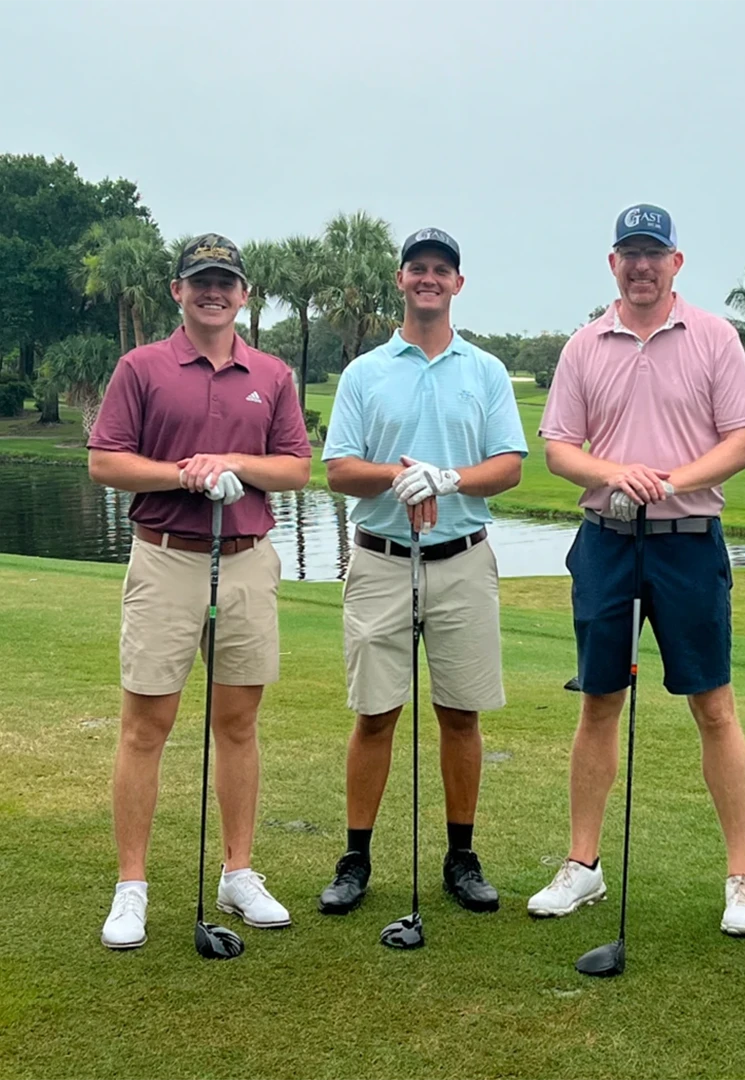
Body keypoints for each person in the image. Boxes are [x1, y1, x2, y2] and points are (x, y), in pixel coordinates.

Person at [529, 204, 745, 936]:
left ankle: (742, 877)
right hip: (606, 540)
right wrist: (616, 474)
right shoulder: (584, 345)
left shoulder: (714, 337)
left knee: (714, 705)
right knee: (599, 701)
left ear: (675, 262)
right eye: (629, 254)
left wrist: (668, 481)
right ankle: (583, 865)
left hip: (688, 540)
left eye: (653, 254)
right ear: (614, 264)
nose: (641, 266)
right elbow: (559, 449)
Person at [89, 233, 312, 949]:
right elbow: (106, 462)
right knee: (146, 724)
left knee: (238, 724)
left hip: (246, 560)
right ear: (178, 291)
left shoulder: (271, 374)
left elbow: (296, 468)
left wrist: (231, 463)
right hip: (165, 559)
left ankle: (238, 872)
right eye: (200, 281)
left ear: (243, 294)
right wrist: (184, 474)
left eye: (225, 282)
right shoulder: (141, 367)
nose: (213, 292)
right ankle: (131, 886)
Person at [319, 227, 527, 917]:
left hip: (461, 558)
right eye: (418, 268)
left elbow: (508, 466)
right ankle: (355, 858)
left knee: (460, 713)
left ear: (457, 283)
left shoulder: (486, 370)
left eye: (441, 269)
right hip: (381, 558)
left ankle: (461, 857)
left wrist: (448, 477)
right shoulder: (365, 372)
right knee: (375, 714)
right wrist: (398, 477)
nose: (429, 278)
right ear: (401, 279)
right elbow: (339, 469)